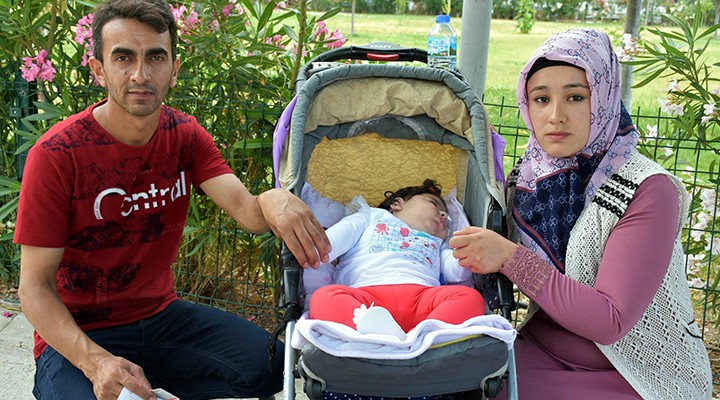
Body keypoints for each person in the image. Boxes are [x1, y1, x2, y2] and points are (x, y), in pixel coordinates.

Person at [12, 0, 331, 399]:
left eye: (155, 57)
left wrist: (273, 199)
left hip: (161, 318)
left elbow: (248, 212)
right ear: (98, 69)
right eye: (123, 58)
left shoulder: (184, 135)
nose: (141, 74)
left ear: (174, 69)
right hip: (81, 334)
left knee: (269, 367)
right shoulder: (57, 154)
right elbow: (34, 288)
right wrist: (95, 362)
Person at [449, 28, 713, 399]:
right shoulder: (530, 178)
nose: (555, 116)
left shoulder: (648, 189)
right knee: (452, 386)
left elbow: (610, 321)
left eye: (575, 97)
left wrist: (511, 258)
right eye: (541, 99)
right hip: (542, 348)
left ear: (603, 98)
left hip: (635, 374)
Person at [309, 179, 486, 340]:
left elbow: (456, 271)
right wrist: (317, 249)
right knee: (323, 298)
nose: (443, 216)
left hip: (422, 302)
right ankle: (374, 330)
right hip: (366, 301)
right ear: (397, 204)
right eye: (434, 204)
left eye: (445, 215)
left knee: (470, 298)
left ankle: (423, 336)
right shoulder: (371, 217)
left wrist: (467, 254)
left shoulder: (438, 243)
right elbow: (334, 241)